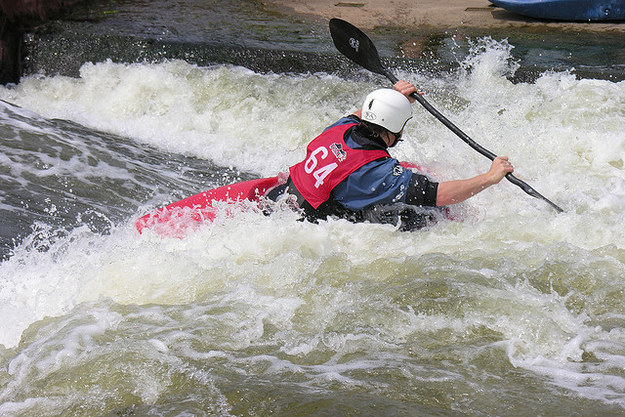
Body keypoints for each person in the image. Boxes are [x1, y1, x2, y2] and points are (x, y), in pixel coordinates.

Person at [267, 80, 514, 230]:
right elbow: (440, 195)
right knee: (423, 214)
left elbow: (363, 113)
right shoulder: (377, 172)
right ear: (394, 130)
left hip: (283, 199)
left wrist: (393, 97)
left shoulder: (342, 127)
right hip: (312, 224)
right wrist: (489, 178)